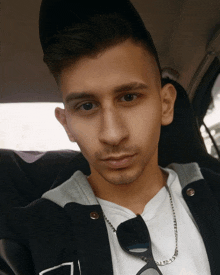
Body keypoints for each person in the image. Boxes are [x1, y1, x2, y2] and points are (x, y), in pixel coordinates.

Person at [0, 0, 220, 274]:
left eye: (129, 97)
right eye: (87, 106)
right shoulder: (24, 238)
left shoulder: (214, 196)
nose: (113, 134)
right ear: (66, 124)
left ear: (165, 104)